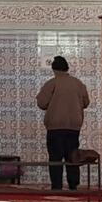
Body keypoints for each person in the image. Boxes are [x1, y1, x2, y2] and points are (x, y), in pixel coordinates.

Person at [35, 56, 90, 190]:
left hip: (55, 127)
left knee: (55, 157)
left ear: (54, 69)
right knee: (72, 157)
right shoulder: (78, 84)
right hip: (73, 127)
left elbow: (41, 103)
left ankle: (57, 186)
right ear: (67, 68)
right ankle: (73, 185)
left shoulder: (52, 83)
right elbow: (86, 103)